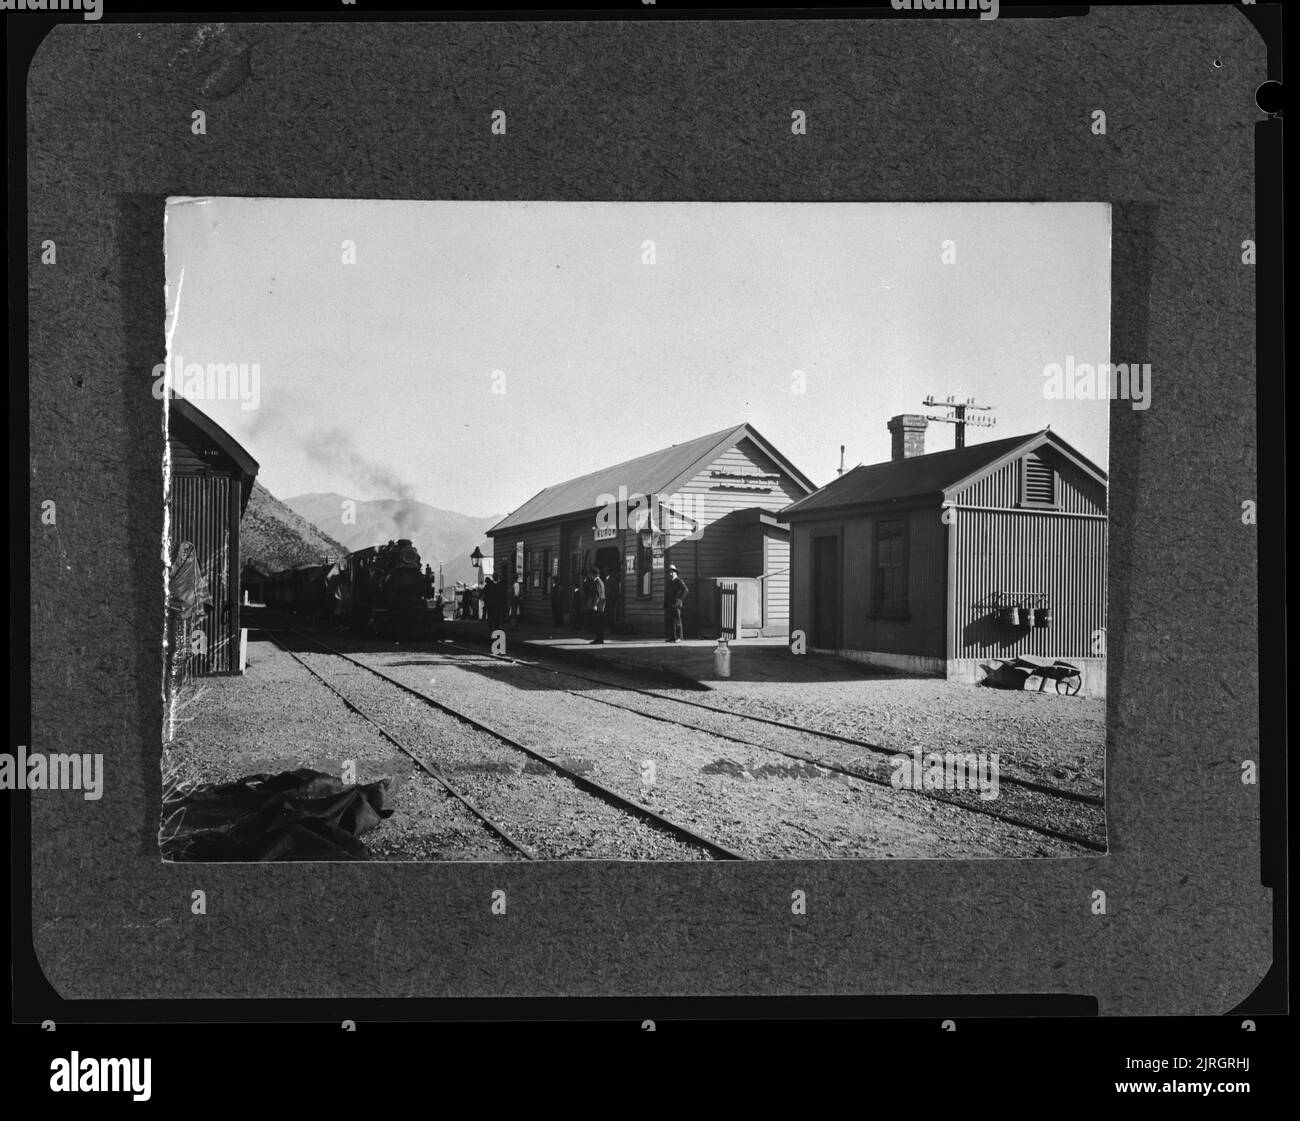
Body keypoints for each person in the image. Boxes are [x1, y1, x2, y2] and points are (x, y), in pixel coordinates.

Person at [664, 563, 688, 643]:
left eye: (672, 572)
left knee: (677, 621)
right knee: (670, 621)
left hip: (676, 604)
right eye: (669, 572)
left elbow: (685, 590)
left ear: (675, 572)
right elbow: (666, 593)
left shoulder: (678, 581)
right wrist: (665, 604)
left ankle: (679, 637)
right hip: (669, 604)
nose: (670, 573)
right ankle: (672, 637)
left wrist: (679, 599)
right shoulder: (669, 582)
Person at [590, 568, 607, 644]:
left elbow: (597, 594)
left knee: (598, 622)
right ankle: (600, 639)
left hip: (599, 604)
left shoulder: (597, 582)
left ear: (593, 574)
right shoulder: (601, 581)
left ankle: (598, 639)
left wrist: (595, 604)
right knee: (600, 622)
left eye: (591, 574)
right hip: (602, 603)